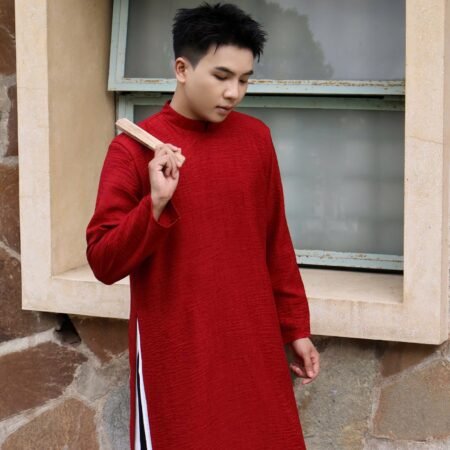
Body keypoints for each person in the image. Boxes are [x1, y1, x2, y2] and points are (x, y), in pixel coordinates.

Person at [86, 3, 320, 449]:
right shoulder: (133, 151)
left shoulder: (255, 139)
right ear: (182, 69)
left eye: (245, 80)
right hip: (177, 349)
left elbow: (275, 241)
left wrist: (296, 328)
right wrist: (155, 203)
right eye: (221, 76)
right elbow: (103, 260)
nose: (234, 92)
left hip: (252, 338)